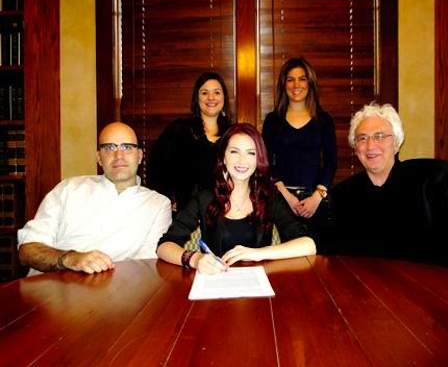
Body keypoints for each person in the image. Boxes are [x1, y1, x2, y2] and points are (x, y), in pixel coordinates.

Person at [328, 102, 448, 273]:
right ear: (355, 148)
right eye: (362, 138)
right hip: (371, 292)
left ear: (396, 143)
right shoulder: (342, 195)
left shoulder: (433, 178)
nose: (371, 145)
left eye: (380, 136)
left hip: (433, 287)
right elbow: (339, 258)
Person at [157, 123, 316, 274]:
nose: (242, 160)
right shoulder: (205, 196)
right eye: (234, 151)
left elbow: (308, 245)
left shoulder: (269, 196)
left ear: (258, 159)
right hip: (216, 283)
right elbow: (164, 246)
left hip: (258, 285)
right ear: (224, 157)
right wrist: (195, 259)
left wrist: (258, 254)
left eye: (251, 153)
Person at [17, 122, 172, 275]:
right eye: (109, 148)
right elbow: (27, 250)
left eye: (127, 147)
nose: (119, 156)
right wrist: (70, 259)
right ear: (99, 157)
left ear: (139, 156)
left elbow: (144, 266)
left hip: (114, 293)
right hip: (47, 291)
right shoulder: (69, 189)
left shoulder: (158, 205)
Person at [262, 57, 337, 254]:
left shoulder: (324, 120)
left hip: (316, 200)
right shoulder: (272, 121)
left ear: (310, 83)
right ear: (283, 84)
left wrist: (317, 197)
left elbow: (331, 162)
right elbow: (265, 162)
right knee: (289, 259)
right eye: (290, 79)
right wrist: (285, 197)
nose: (296, 85)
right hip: (282, 200)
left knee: (318, 257)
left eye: (302, 79)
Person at [147, 71, 232, 214]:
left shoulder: (233, 134)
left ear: (224, 97)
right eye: (204, 93)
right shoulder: (179, 130)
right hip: (186, 214)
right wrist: (167, 199)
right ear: (196, 99)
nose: (211, 97)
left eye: (217, 92)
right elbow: (156, 166)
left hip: (225, 213)